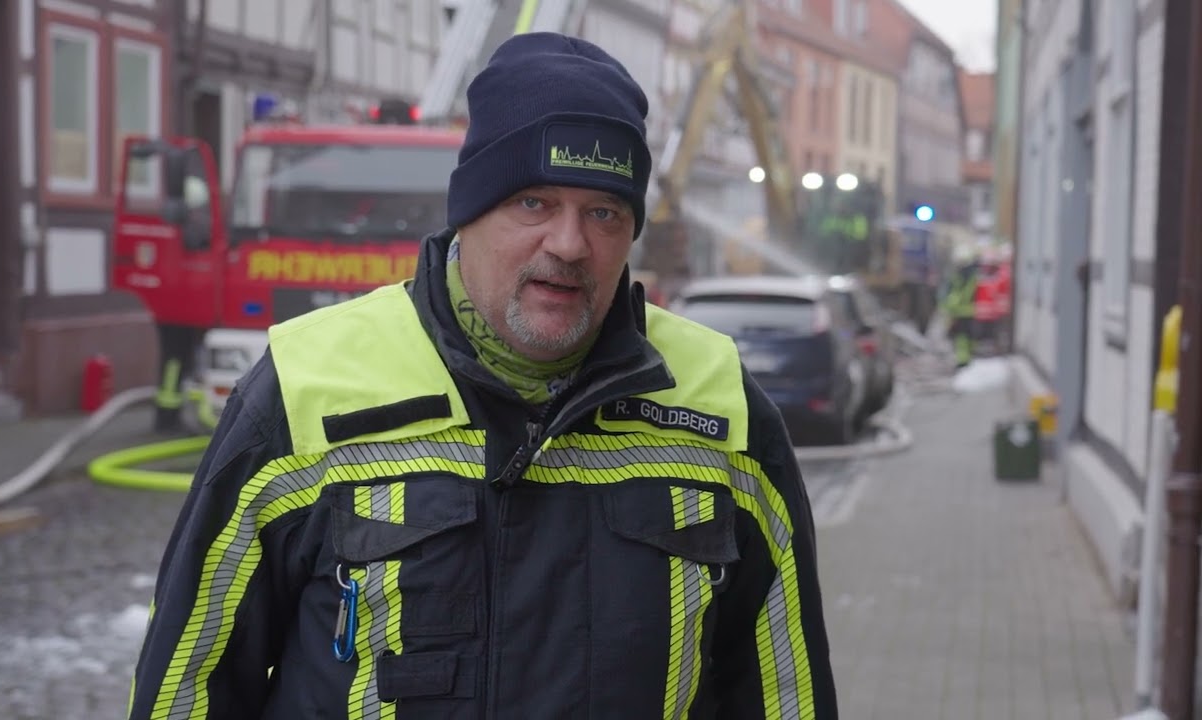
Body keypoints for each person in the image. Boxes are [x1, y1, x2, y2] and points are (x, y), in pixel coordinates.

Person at [127, 32, 837, 719]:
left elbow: (785, 695)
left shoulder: (720, 408)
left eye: (603, 212)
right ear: (468, 211)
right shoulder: (303, 391)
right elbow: (187, 686)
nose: (568, 244)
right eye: (533, 203)